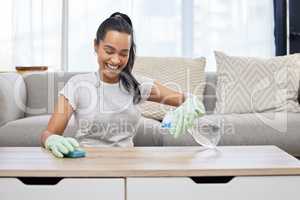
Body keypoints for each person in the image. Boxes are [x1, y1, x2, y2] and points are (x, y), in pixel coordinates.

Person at [40, 12, 204, 158]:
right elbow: (49, 133)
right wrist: (51, 140)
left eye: (123, 54)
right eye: (109, 51)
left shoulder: (138, 86)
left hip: (127, 163)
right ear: (96, 46)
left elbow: (185, 99)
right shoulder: (77, 85)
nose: (116, 60)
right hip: (87, 163)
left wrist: (191, 104)